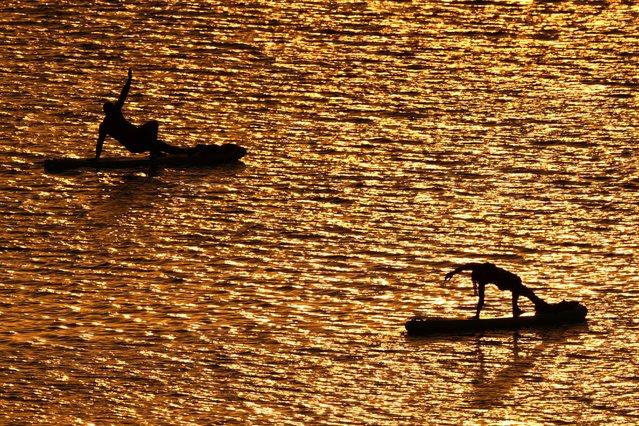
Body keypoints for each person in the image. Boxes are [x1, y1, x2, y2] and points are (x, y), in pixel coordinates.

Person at [96, 68, 195, 161]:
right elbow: (100, 143)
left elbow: (123, 96)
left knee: (153, 124)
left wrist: (129, 80)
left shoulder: (109, 119)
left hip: (138, 135)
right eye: (113, 108)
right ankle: (185, 153)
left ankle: (155, 152)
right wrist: (97, 159)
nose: (115, 108)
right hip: (136, 143)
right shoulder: (108, 122)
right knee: (160, 144)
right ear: (109, 111)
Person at [443, 262, 549, 319]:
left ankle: (521, 309)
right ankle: (517, 309)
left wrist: (477, 316)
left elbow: (482, 298)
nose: (478, 283)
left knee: (526, 292)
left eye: (478, 280)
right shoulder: (480, 275)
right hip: (504, 282)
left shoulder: (484, 271)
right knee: (523, 292)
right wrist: (452, 273)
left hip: (510, 279)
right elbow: (463, 268)